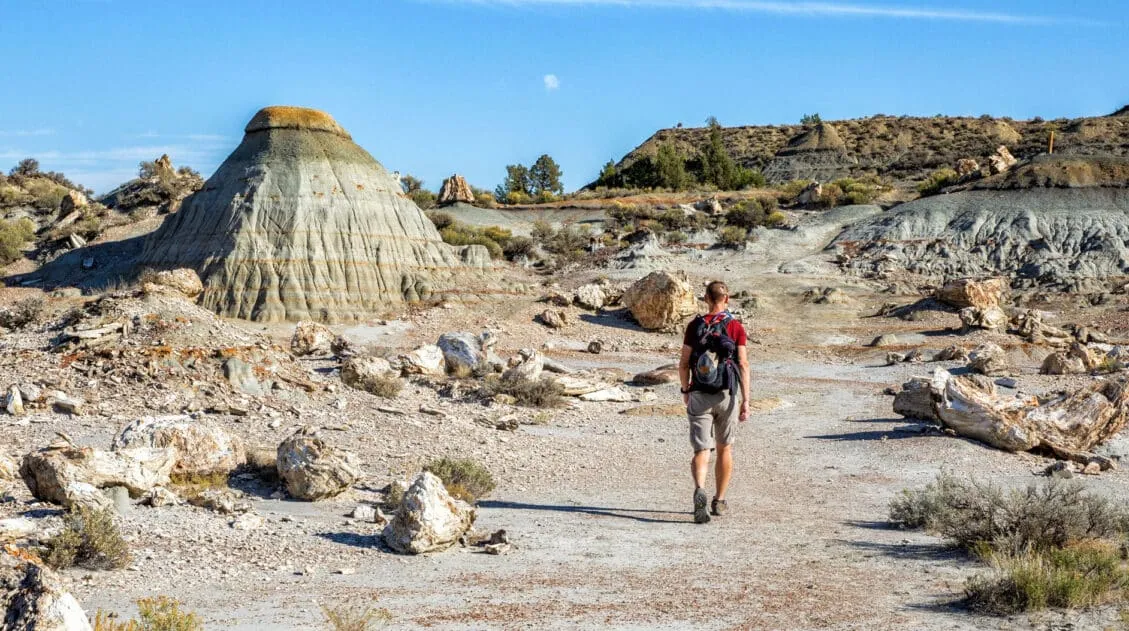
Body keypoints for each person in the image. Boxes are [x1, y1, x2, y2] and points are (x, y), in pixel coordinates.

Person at [678, 280, 750, 524]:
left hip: (699, 393)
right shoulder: (736, 327)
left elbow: (684, 362)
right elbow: (743, 364)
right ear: (726, 299)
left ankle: (700, 488)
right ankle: (719, 500)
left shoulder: (694, 326)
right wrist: (746, 401)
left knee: (701, 449)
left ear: (706, 298)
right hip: (726, 394)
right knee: (724, 448)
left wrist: (685, 389)